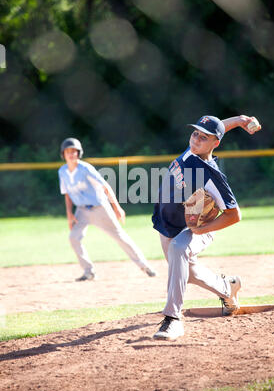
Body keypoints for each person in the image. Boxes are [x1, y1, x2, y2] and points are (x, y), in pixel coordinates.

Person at [152, 114, 261, 340]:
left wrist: (202, 229)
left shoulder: (211, 175)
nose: (196, 139)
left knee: (179, 250)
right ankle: (227, 288)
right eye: (195, 133)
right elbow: (217, 128)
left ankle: (173, 319)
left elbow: (234, 214)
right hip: (167, 225)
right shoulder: (191, 150)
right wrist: (240, 120)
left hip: (194, 229)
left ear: (215, 143)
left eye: (204, 137)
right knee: (187, 273)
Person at [58, 137, 157, 281]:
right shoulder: (62, 171)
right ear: (63, 154)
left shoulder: (85, 169)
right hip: (81, 211)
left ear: (79, 153)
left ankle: (145, 266)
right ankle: (89, 271)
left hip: (100, 208)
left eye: (74, 151)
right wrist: (69, 214)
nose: (71, 154)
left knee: (120, 237)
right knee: (73, 238)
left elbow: (105, 186)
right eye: (68, 152)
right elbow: (67, 193)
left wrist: (116, 207)